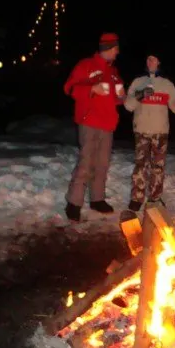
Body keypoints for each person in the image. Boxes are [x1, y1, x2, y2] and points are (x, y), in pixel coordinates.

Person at [63, 32, 125, 222]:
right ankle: (74, 203)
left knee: (103, 163)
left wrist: (122, 95)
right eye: (116, 49)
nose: (118, 53)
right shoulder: (85, 65)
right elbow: (69, 88)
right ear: (108, 48)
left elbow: (116, 99)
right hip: (89, 122)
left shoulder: (114, 72)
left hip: (107, 123)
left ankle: (97, 199)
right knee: (86, 162)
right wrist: (91, 89)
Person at [124, 55, 175, 211]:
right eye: (148, 59)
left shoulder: (167, 84)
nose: (150, 62)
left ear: (160, 62)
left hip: (160, 131)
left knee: (158, 167)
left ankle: (155, 198)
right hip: (142, 130)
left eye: (154, 59)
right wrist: (140, 95)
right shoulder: (138, 82)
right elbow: (128, 106)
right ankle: (137, 198)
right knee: (140, 166)